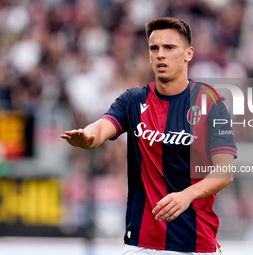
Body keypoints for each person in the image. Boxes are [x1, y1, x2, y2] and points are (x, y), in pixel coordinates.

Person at [61, 17, 237, 254]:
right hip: (140, 244)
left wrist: (186, 196)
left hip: (194, 244)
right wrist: (88, 136)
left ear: (188, 53)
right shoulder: (133, 100)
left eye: (169, 48)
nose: (160, 54)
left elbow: (224, 172)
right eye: (154, 48)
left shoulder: (210, 102)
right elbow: (102, 127)